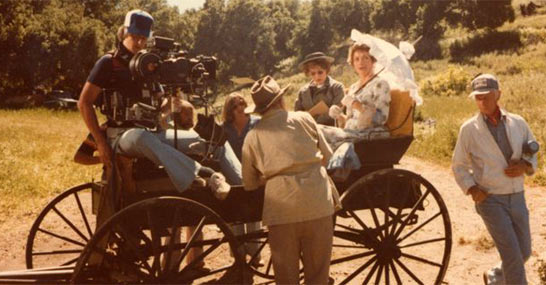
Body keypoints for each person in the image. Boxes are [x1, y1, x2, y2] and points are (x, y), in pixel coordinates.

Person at [77, 9, 239, 194]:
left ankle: (246, 192)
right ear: (125, 33)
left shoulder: (149, 64)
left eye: (144, 39)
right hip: (122, 136)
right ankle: (203, 175)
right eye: (135, 36)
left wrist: (169, 106)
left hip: (154, 134)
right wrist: (101, 143)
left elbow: (161, 102)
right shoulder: (108, 62)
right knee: (140, 137)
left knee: (213, 139)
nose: (139, 43)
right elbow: (84, 103)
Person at [242, 75, 338, 284]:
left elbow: (249, 184)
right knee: (318, 275)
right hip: (318, 202)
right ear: (280, 100)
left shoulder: (253, 135)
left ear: (260, 109)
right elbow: (328, 155)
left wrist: (270, 175)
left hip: (282, 210)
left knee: (286, 277)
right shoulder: (304, 118)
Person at [452, 73, 538, 285]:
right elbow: (458, 165)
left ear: (498, 94)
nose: (482, 102)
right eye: (478, 97)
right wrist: (472, 189)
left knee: (524, 251)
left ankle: (495, 277)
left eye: (486, 96)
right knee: (512, 257)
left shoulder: (518, 123)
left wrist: (525, 165)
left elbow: (532, 149)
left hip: (517, 196)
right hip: (490, 199)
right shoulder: (469, 129)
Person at [221, 93, 263, 267]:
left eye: (242, 103)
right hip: (232, 177)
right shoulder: (224, 128)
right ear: (229, 109)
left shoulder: (256, 123)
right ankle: (238, 256)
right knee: (235, 217)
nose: (240, 107)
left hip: (253, 172)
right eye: (235, 105)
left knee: (254, 216)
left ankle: (255, 256)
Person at [330, 42, 391, 133]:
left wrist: (356, 105)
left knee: (320, 137)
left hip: (369, 135)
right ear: (353, 63)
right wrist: (340, 116)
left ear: (372, 60)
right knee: (317, 132)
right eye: (356, 59)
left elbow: (381, 118)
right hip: (349, 132)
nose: (361, 62)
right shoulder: (353, 87)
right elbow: (350, 119)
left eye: (365, 58)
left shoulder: (380, 84)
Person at [294, 52, 345, 126]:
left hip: (331, 129)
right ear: (308, 73)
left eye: (320, 72)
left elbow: (338, 111)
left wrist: (315, 121)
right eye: (313, 73)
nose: (317, 76)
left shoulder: (337, 87)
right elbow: (297, 113)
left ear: (327, 70)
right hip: (309, 130)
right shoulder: (303, 92)